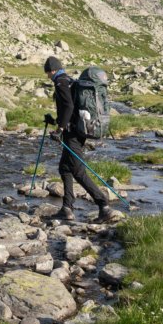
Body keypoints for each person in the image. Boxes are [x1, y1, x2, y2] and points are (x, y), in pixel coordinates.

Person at [43, 56, 117, 223]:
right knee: (65, 168)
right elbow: (72, 109)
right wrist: (55, 121)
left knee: (77, 171)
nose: (47, 75)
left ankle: (103, 205)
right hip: (76, 130)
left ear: (52, 70)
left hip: (73, 133)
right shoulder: (68, 80)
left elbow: (68, 106)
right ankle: (67, 208)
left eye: (47, 72)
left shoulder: (60, 82)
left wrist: (60, 129)